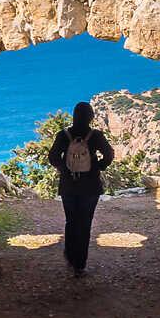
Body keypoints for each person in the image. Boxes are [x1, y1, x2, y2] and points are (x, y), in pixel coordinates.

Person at [46, 101, 115, 278]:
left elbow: (53, 157)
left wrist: (64, 169)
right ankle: (80, 264)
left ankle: (70, 256)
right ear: (90, 117)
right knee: (85, 223)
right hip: (90, 186)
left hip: (68, 186)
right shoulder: (95, 135)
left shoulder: (63, 135)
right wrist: (98, 166)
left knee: (71, 221)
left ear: (74, 116)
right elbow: (109, 154)